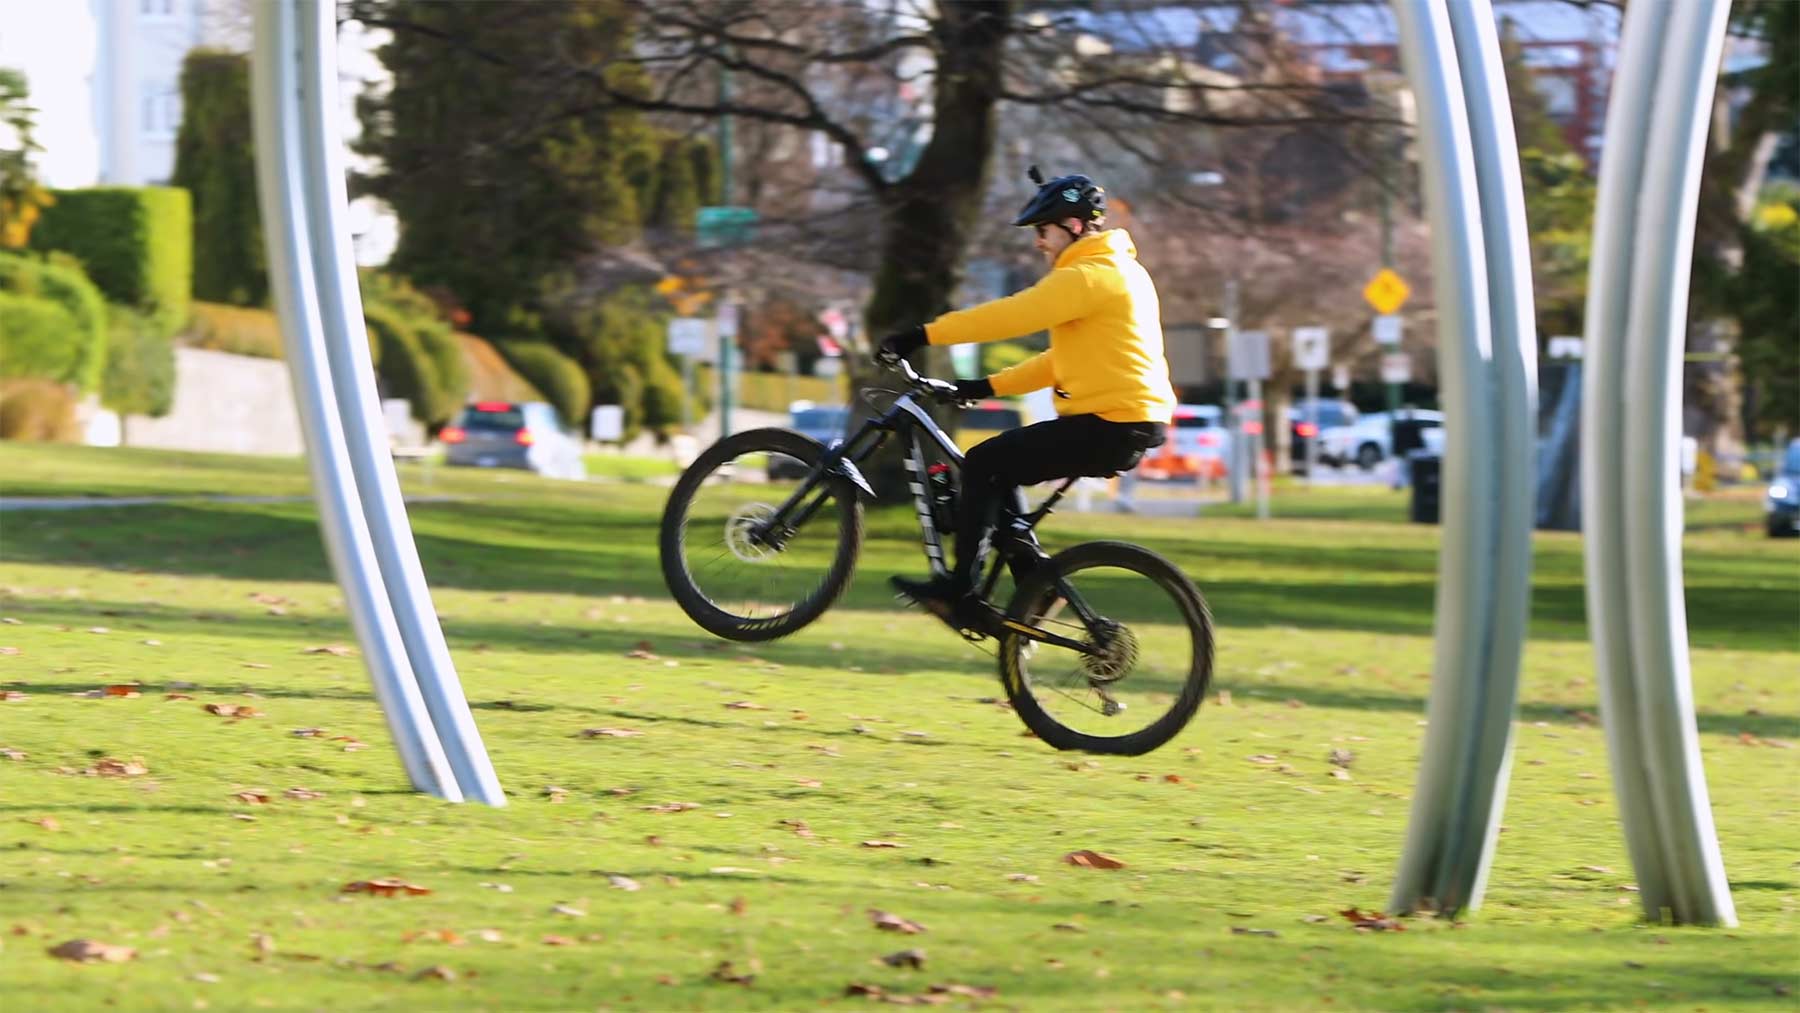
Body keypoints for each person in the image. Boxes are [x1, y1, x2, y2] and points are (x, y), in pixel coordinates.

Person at [876, 166, 1175, 631]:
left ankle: (962, 593)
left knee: (981, 463)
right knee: (1001, 471)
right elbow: (1060, 361)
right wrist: (983, 387)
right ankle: (1038, 585)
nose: (1038, 241)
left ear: (1074, 226)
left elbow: (1011, 316)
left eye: (1043, 230)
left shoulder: (1089, 275)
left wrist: (921, 335)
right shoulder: (1119, 270)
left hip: (1111, 421)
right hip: (1127, 420)